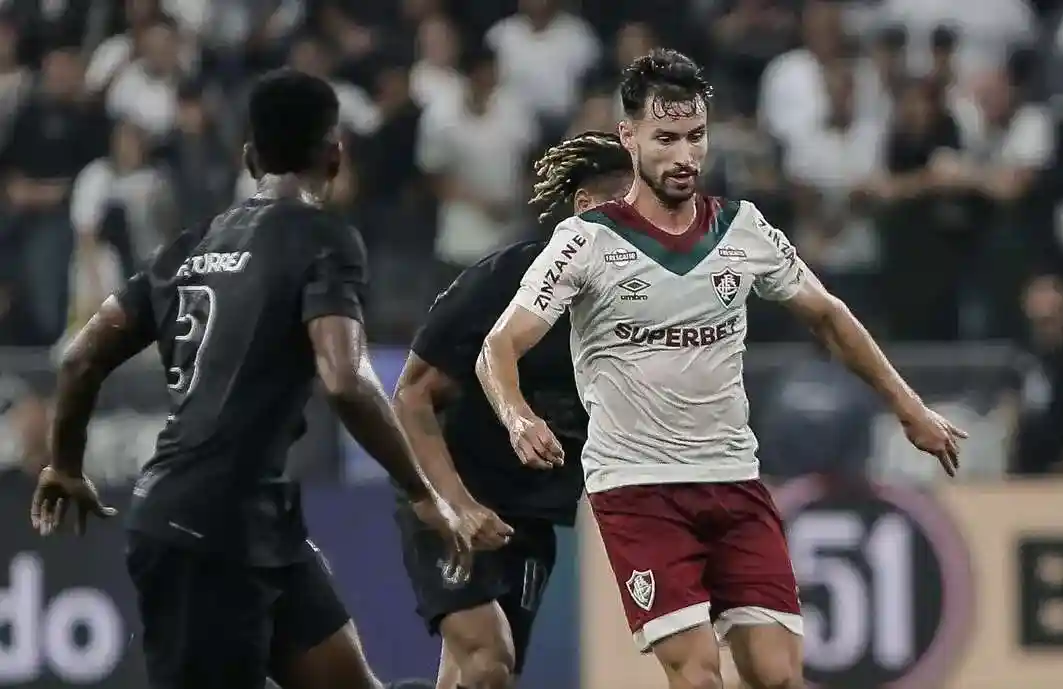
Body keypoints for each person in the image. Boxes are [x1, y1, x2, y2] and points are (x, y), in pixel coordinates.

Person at [476, 49, 964, 689]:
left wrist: (909, 407)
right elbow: (499, 347)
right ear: (629, 138)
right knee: (700, 676)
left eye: (696, 137)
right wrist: (517, 417)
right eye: (666, 139)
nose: (684, 156)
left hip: (733, 478)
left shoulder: (742, 229)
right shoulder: (586, 241)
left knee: (778, 675)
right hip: (638, 486)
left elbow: (828, 317)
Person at [28, 68, 510, 689]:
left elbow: (80, 357)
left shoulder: (187, 247)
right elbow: (343, 378)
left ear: (250, 156)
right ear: (334, 155)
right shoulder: (322, 239)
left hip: (247, 518)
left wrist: (65, 465)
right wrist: (423, 493)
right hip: (206, 534)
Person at [392, 131, 633, 689]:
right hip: (453, 498)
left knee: (480, 678)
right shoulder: (505, 280)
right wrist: (455, 506)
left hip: (528, 521)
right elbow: (411, 397)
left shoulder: (638, 310)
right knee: (487, 662)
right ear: (588, 207)